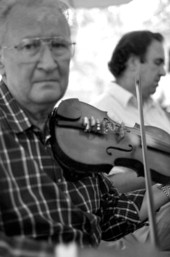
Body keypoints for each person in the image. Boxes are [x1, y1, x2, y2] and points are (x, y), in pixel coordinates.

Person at [0, 1, 169, 253]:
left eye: (58, 45)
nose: (48, 63)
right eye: (29, 46)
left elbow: (108, 214)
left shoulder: (74, 129)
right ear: (1, 60)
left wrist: (166, 189)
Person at [91, 30, 170, 248]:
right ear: (134, 62)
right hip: (138, 227)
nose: (164, 72)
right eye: (158, 62)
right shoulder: (103, 112)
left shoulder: (155, 109)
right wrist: (163, 172)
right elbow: (103, 187)